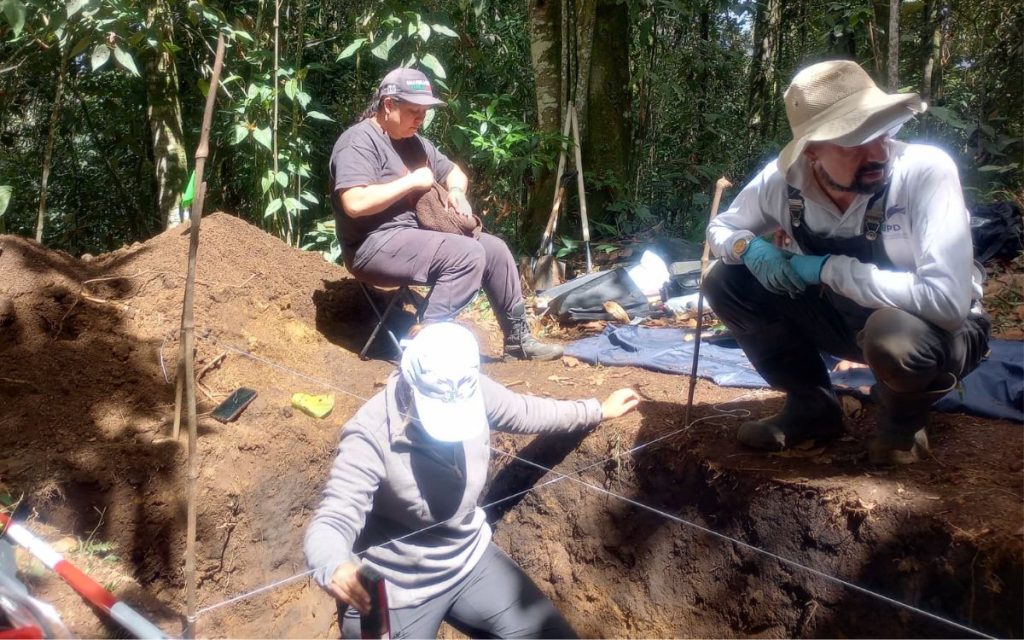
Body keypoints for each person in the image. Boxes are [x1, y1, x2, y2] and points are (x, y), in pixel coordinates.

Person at [704, 60, 990, 464]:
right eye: (855, 140)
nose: (877, 152)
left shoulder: (925, 172)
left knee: (892, 334)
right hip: (843, 320)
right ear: (813, 151)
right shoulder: (782, 183)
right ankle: (812, 407)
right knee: (725, 281)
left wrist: (825, 268)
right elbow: (720, 228)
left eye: (882, 130)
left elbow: (947, 303)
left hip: (936, 335)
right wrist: (745, 248)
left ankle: (901, 423)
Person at [304, 322, 640, 638]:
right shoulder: (370, 434)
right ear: (410, 383)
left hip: (466, 559)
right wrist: (335, 566)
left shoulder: (466, 385)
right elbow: (334, 518)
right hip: (395, 589)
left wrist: (597, 409)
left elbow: (526, 411)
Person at [329, 67, 562, 361]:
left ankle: (518, 340)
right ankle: (422, 352)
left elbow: (455, 172)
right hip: (372, 245)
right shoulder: (359, 141)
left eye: (424, 112)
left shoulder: (413, 142)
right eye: (414, 110)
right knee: (466, 254)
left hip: (415, 238)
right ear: (388, 105)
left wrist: (455, 192)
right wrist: (411, 182)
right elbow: (355, 202)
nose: (420, 119)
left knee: (494, 250)